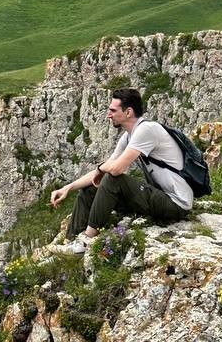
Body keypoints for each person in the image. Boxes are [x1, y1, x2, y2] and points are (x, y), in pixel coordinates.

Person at [48, 86, 192, 253]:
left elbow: (115, 170)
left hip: (175, 204)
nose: (108, 115)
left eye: (113, 110)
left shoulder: (146, 130)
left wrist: (100, 169)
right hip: (159, 196)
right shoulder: (129, 136)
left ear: (128, 112)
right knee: (90, 189)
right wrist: (67, 188)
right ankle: (71, 242)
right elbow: (106, 168)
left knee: (112, 179)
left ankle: (86, 241)